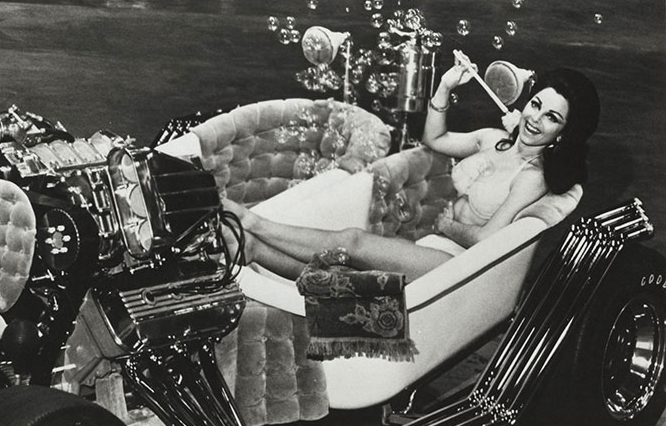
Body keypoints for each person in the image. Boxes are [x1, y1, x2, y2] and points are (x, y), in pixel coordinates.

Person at [222, 58, 601, 281]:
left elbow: (488, 241)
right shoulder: (490, 139)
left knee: (353, 243)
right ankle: (251, 248)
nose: (536, 119)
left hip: (457, 266)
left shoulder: (533, 176)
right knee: (346, 275)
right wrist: (445, 86)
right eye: (535, 105)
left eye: (552, 118)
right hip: (429, 245)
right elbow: (434, 139)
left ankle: (252, 223)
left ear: (564, 134)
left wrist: (445, 223)